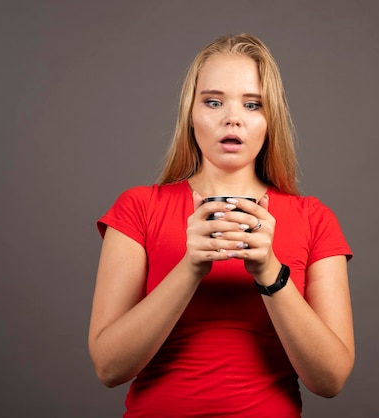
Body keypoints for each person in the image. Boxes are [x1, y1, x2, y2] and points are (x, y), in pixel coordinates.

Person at [88, 33, 354, 417]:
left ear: (269, 119)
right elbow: (109, 367)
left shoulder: (314, 219)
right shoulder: (138, 208)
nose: (232, 118)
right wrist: (191, 266)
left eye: (252, 104)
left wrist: (270, 272)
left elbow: (330, 380)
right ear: (191, 115)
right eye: (213, 102)